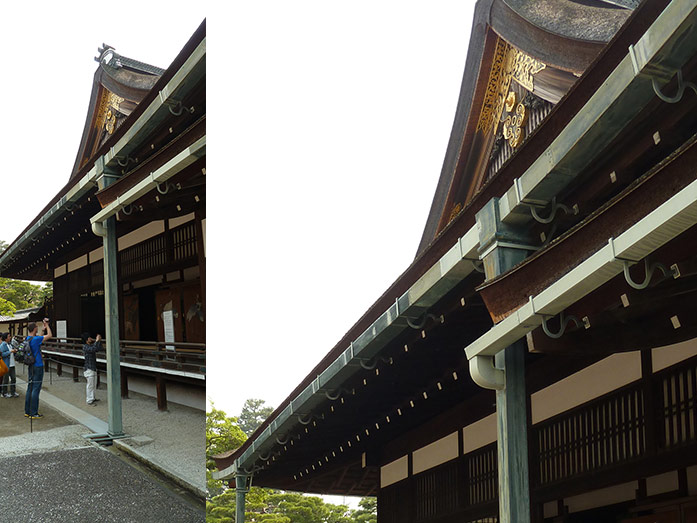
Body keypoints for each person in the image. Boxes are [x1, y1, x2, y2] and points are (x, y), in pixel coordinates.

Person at [24, 318, 52, 419]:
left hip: (30, 365)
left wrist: (43, 329)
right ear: (34, 329)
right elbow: (49, 336)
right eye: (37, 327)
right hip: (38, 365)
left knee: (30, 387)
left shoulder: (27, 339)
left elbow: (39, 337)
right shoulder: (36, 339)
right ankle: (34, 413)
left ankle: (27, 411)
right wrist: (47, 325)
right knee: (36, 388)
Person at [81, 332, 103, 405]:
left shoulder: (89, 345)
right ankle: (89, 400)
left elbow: (98, 348)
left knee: (93, 384)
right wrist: (97, 341)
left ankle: (92, 397)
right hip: (89, 368)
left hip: (93, 367)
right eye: (89, 337)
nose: (91, 338)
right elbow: (93, 349)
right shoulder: (85, 346)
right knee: (90, 385)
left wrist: (99, 341)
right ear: (87, 339)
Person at [0, 332, 18, 398]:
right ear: (5, 338)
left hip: (12, 364)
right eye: (9, 336)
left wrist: (14, 351)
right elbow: (2, 354)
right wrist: (10, 351)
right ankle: (4, 392)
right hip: (6, 365)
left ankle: (13, 392)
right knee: (6, 379)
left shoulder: (10, 344)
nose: (10, 337)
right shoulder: (3, 345)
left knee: (13, 379)